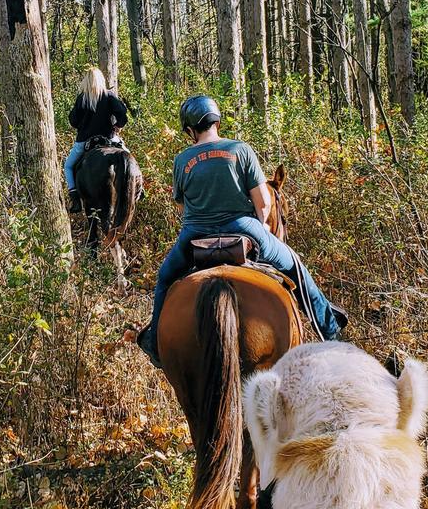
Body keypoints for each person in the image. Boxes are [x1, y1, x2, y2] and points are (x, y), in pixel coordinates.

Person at [137, 95, 347, 366]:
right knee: (295, 265)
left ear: (190, 129)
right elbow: (265, 202)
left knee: (165, 277)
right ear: (217, 122)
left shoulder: (182, 160)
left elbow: (182, 209)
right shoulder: (241, 150)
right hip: (243, 228)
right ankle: (329, 329)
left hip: (195, 235)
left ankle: (155, 343)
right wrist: (259, 228)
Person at [64, 66, 129, 213]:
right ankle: (139, 187)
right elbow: (123, 115)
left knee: (67, 166)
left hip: (85, 142)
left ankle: (75, 199)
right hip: (109, 139)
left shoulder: (82, 98)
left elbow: (73, 121)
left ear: (86, 81)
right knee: (129, 157)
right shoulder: (109, 96)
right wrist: (117, 125)